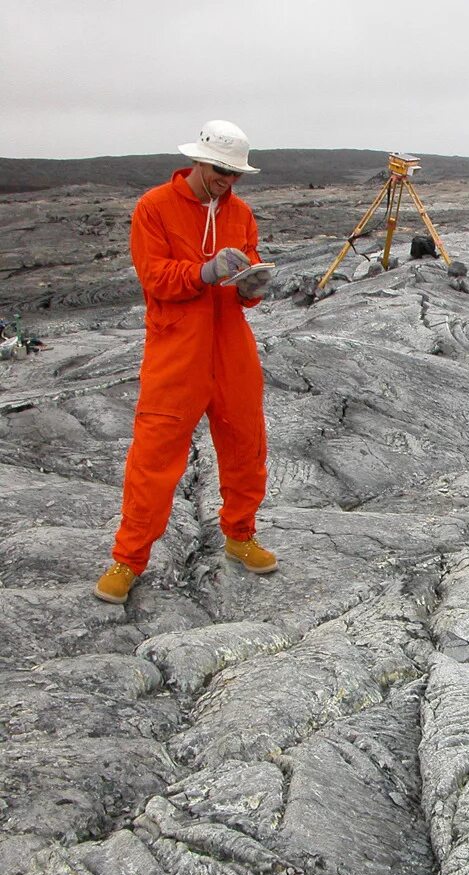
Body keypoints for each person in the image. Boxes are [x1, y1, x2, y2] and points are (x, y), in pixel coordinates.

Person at [94, 120, 278, 604]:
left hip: (231, 347)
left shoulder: (241, 213)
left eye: (234, 174)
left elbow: (248, 270)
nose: (226, 181)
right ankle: (127, 559)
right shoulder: (153, 208)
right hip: (176, 351)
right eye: (220, 170)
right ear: (199, 160)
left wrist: (251, 287)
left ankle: (240, 536)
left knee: (246, 445)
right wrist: (201, 272)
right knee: (154, 458)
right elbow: (154, 277)